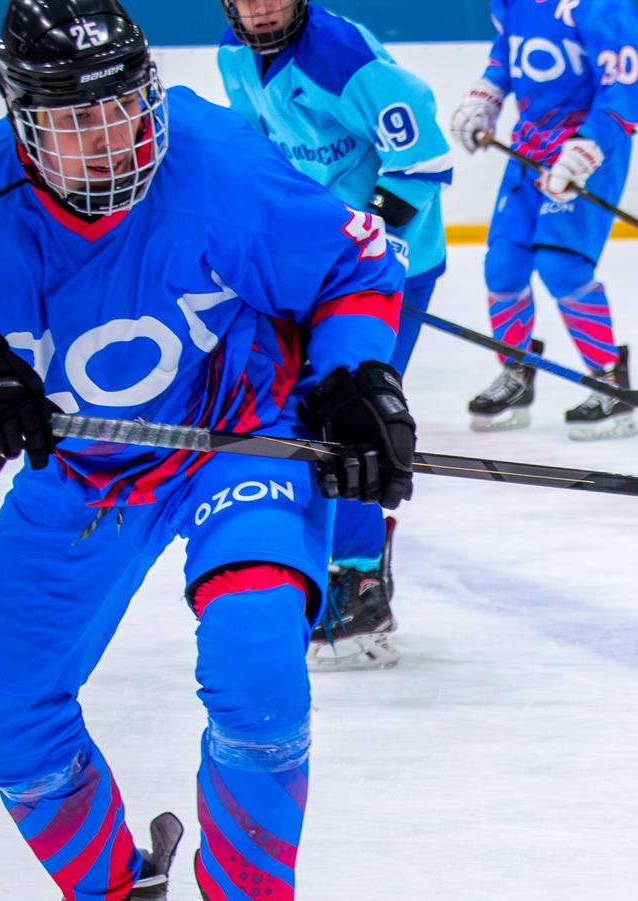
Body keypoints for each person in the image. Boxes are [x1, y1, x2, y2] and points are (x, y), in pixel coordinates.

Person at [0, 0, 416, 901]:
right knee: (4, 710)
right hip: (87, 467)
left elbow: (355, 270)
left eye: (123, 109)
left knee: (255, 661)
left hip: (236, 435)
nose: (110, 140)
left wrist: (353, 380)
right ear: (22, 124)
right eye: (75, 121)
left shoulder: (216, 162)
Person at [219, 0, 450, 669]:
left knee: (349, 409)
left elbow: (420, 163)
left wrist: (369, 244)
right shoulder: (235, 57)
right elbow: (255, 162)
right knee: (296, 410)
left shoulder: (343, 58)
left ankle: (358, 584)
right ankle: (316, 566)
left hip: (387, 268)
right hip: (315, 266)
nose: (262, 8)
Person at [448, 0, 638, 441]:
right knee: (503, 263)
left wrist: (587, 146)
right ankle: (516, 371)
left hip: (587, 151)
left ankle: (609, 380)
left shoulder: (601, 8)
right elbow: (509, 51)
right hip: (531, 147)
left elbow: (626, 84)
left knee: (563, 267)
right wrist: (486, 95)